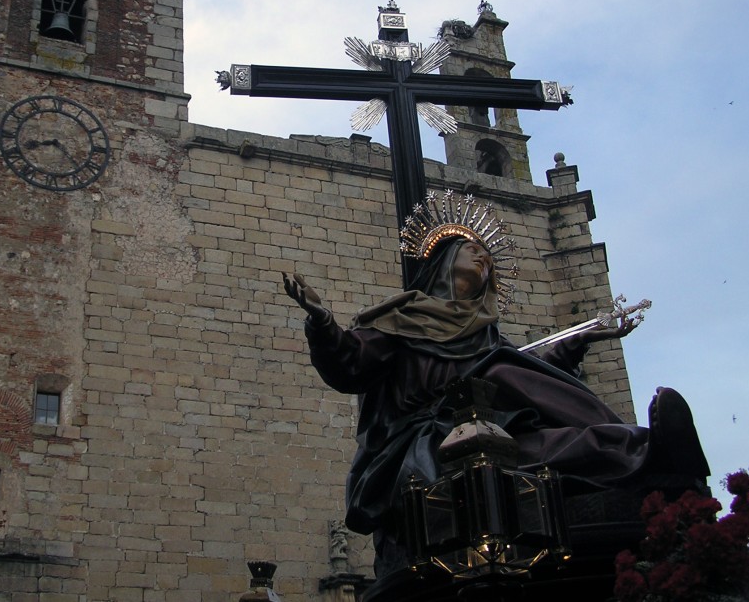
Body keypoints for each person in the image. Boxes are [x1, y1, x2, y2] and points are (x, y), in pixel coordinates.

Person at [283, 194, 710, 571]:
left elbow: (530, 372)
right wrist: (322, 323)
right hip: (427, 445)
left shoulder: (486, 335)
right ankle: (644, 454)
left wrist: (578, 341)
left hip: (493, 427)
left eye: (488, 256)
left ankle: (649, 450)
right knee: (537, 442)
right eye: (473, 251)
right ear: (445, 261)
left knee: (557, 437)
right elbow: (350, 365)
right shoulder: (402, 318)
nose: (484, 259)